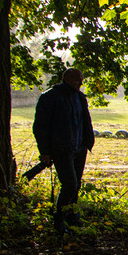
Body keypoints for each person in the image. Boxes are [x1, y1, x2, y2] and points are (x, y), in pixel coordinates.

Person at [32, 68, 95, 236]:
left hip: (79, 148)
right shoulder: (50, 97)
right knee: (70, 185)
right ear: (67, 79)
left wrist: (86, 143)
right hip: (61, 149)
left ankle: (71, 216)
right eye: (78, 80)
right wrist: (44, 151)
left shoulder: (79, 97)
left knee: (76, 185)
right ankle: (59, 219)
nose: (81, 83)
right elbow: (40, 126)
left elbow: (84, 121)